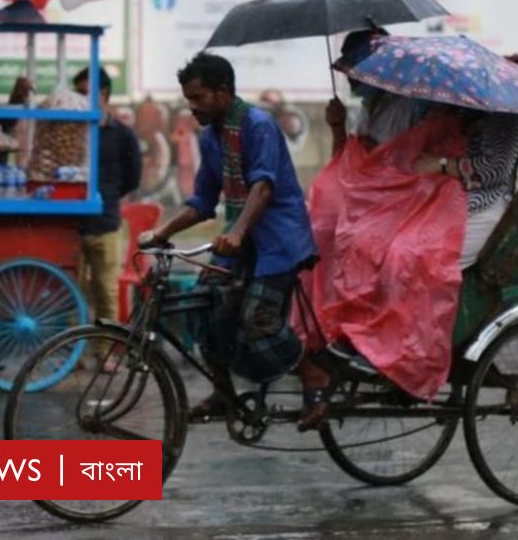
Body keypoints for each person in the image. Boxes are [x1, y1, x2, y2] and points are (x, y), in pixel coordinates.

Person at [139, 52, 327, 430]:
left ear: (222, 92)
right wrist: (163, 234)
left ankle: (315, 377)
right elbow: (202, 201)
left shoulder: (258, 125)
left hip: (278, 242)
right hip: (238, 244)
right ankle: (224, 393)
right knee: (204, 310)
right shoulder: (211, 137)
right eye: (188, 99)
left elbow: (262, 188)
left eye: (198, 98)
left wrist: (237, 232)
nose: (191, 107)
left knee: (258, 319)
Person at [73, 67, 142, 370]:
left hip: (106, 222)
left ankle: (104, 353)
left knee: (106, 291)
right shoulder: (72, 131)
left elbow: (133, 178)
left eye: (85, 93)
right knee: (70, 291)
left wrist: (108, 194)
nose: (79, 101)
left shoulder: (122, 135)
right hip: (70, 224)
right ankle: (70, 356)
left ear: (103, 95)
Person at [413, 109, 518, 269]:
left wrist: (441, 164)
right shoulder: (478, 116)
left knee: (420, 260)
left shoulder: (504, 120)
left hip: (485, 205)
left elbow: (494, 169)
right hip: (461, 204)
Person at [325, 28, 422, 154]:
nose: (350, 78)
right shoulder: (370, 104)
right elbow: (345, 166)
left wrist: (372, 150)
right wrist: (337, 127)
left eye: (356, 73)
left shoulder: (407, 105)